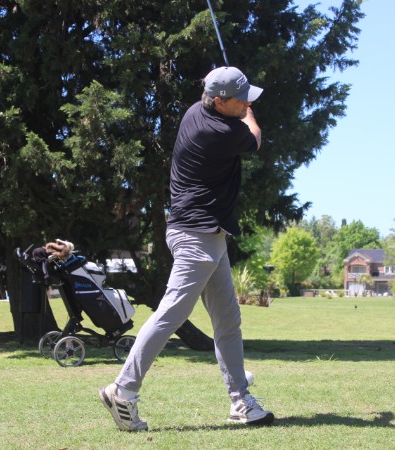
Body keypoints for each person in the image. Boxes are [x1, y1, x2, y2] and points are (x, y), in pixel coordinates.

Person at [98, 66, 274, 431]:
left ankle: (240, 400)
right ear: (219, 101)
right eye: (241, 100)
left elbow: (222, 95)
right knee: (171, 314)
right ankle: (123, 390)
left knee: (228, 321)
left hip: (207, 235)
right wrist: (250, 115)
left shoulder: (196, 111)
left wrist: (237, 101)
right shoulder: (220, 131)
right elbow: (255, 138)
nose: (246, 104)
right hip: (197, 237)